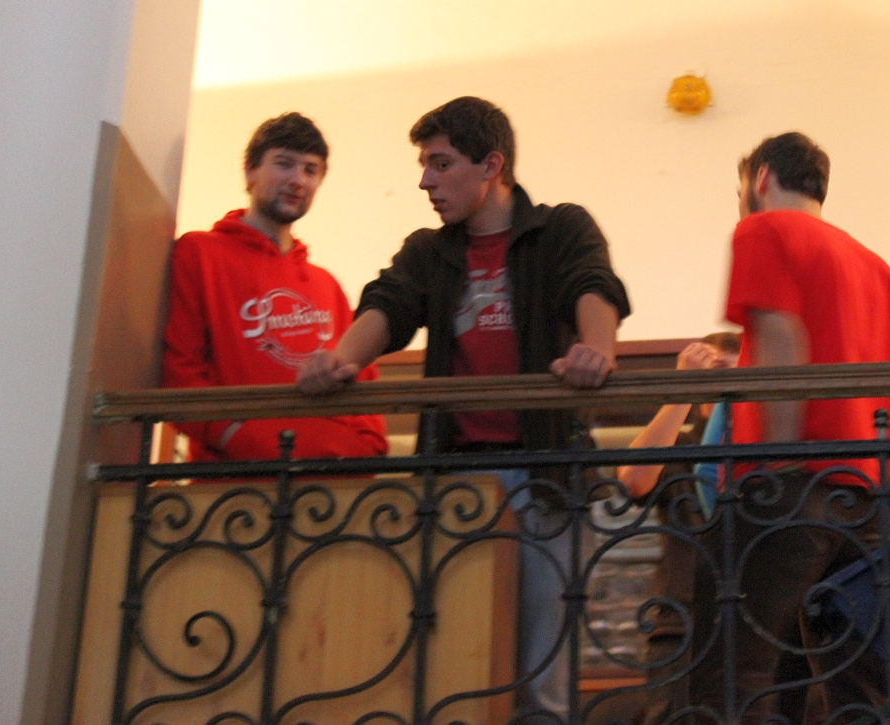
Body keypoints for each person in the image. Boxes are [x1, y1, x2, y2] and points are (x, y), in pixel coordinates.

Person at [297, 96, 631, 719]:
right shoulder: (429, 250)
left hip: (547, 475)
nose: (426, 181)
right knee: (453, 663)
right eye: (424, 165)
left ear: (492, 165)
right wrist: (338, 359)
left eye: (442, 163)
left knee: (542, 674)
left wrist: (597, 350)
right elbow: (390, 301)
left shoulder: (560, 228)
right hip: (455, 481)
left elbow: (591, 281)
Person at [693, 131, 890, 725]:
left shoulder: (765, 229)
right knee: (863, 689)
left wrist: (774, 466)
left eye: (740, 191)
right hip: (884, 501)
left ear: (761, 179)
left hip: (799, 486)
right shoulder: (883, 272)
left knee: (731, 672)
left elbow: (779, 336)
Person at [161, 112, 388, 461]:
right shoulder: (199, 254)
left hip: (334, 480)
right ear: (250, 172)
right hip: (234, 481)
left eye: (311, 169)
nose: (298, 180)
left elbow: (362, 381)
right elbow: (180, 372)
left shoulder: (327, 285)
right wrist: (239, 438)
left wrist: (365, 450)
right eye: (284, 164)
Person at [615, 334, 740, 725]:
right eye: (717, 371)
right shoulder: (680, 444)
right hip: (681, 621)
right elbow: (634, 479)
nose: (727, 384)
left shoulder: (770, 445)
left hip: (758, 615)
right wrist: (682, 388)